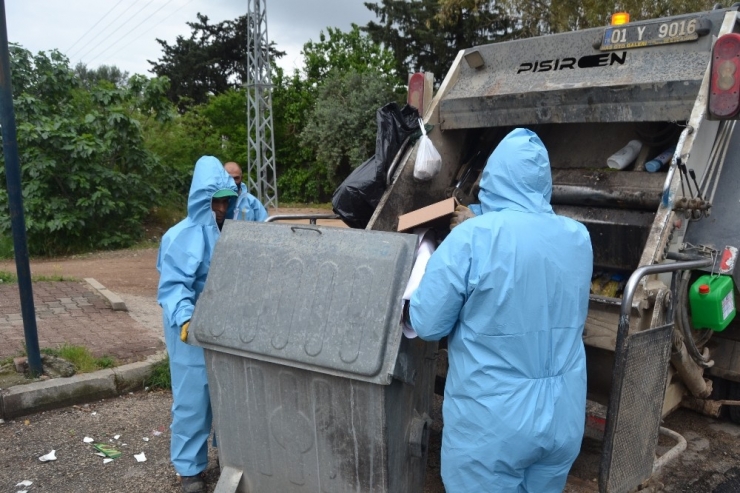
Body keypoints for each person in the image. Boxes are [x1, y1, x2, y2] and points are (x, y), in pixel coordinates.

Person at [409, 128, 593, 492]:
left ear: (492, 177)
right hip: (564, 417)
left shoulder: (471, 239)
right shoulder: (578, 237)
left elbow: (427, 324)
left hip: (493, 427)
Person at [156, 156, 238, 493]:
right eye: (214, 201)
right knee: (194, 396)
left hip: (225, 325)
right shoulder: (180, 237)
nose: (220, 207)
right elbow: (174, 288)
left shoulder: (231, 231)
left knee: (229, 393)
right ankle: (190, 470)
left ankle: (229, 454)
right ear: (201, 199)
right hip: (189, 331)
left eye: (224, 200)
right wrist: (186, 320)